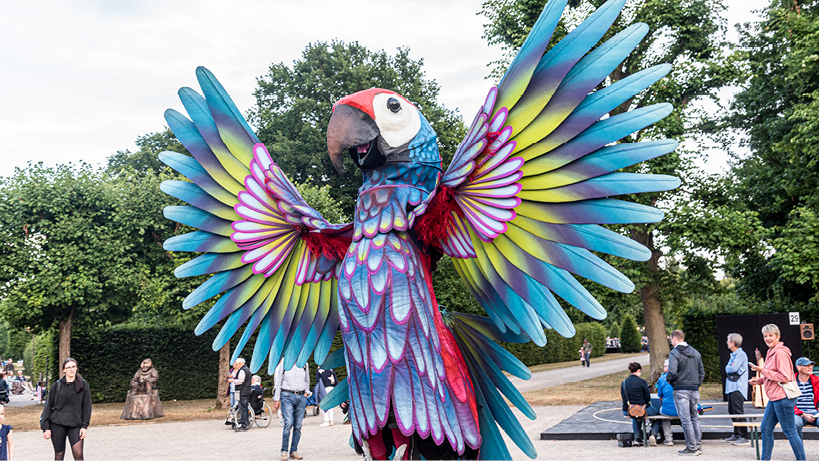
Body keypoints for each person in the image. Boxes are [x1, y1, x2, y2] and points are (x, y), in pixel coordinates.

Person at [748, 323, 805, 461]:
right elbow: (773, 374)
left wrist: (762, 370)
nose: (767, 338)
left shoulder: (780, 353)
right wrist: (760, 380)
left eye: (771, 336)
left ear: (778, 336)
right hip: (775, 398)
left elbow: (785, 376)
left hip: (783, 397)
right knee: (766, 428)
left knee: (790, 431)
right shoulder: (770, 352)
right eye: (765, 336)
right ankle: (765, 459)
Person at [41, 358, 92, 460]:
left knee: (78, 454)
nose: (71, 369)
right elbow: (48, 406)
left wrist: (84, 426)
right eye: (68, 367)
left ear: (76, 368)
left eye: (73, 367)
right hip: (57, 424)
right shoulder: (57, 385)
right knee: (59, 455)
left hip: (76, 425)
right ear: (64, 370)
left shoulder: (83, 384)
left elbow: (87, 406)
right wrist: (45, 428)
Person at [666, 329, 704, 456]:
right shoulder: (695, 352)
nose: (671, 341)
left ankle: (691, 447)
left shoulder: (674, 353)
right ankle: (698, 445)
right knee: (695, 418)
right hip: (694, 388)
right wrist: (696, 384)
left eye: (671, 339)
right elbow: (701, 372)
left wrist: (669, 380)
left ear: (675, 339)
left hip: (680, 389)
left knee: (685, 419)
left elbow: (672, 371)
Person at [274, 361, 310, 461]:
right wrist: (277, 399)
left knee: (298, 426)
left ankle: (294, 451)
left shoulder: (304, 364)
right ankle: (284, 451)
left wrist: (307, 392)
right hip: (287, 395)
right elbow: (279, 382)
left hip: (301, 396)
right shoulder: (285, 364)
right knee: (288, 423)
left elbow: (307, 380)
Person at [724, 333, 750, 445]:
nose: (727, 342)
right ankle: (737, 434)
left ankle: (745, 436)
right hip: (731, 387)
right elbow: (728, 369)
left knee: (738, 411)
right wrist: (729, 368)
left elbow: (732, 368)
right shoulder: (733, 355)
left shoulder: (741, 355)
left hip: (738, 387)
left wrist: (729, 368)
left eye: (728, 340)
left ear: (733, 343)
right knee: (732, 411)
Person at [621, 362, 651, 445]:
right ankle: (654, 434)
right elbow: (647, 398)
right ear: (639, 370)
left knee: (635, 413)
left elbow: (624, 397)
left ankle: (637, 438)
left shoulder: (624, 383)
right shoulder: (642, 382)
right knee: (657, 414)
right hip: (641, 409)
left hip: (628, 409)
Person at [793, 357, 819, 440]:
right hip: (798, 414)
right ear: (798, 367)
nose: (810, 367)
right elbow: (787, 403)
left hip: (815, 413)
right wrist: (803, 414)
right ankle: (800, 451)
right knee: (795, 424)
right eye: (806, 365)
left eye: (811, 365)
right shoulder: (791, 382)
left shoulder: (816, 380)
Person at [231, 358, 251, 432]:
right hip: (247, 391)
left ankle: (244, 425)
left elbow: (241, 381)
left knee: (242, 408)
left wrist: (233, 380)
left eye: (236, 363)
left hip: (242, 391)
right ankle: (247, 422)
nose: (235, 365)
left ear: (240, 363)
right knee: (245, 408)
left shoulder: (242, 370)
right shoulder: (247, 369)